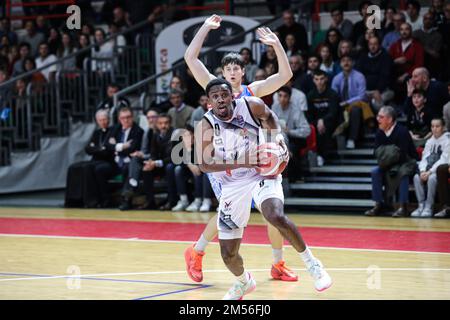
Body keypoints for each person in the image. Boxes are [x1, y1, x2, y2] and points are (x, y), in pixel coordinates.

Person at [184, 14, 298, 282]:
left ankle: (278, 263)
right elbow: (191, 58)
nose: (233, 72)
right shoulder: (214, 88)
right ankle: (197, 252)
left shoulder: (253, 91)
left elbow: (286, 75)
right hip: (224, 163)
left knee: (274, 213)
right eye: (228, 68)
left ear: (243, 72)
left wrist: (277, 44)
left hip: (255, 160)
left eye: (237, 68)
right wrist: (205, 28)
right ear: (222, 73)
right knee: (228, 213)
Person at [196, 78, 332, 299]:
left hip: (262, 172)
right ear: (209, 102)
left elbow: (269, 117)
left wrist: (277, 140)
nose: (220, 99)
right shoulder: (206, 124)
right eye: (215, 96)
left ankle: (313, 265)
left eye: (224, 94)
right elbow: (204, 164)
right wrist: (243, 160)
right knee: (228, 254)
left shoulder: (252, 105)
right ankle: (243, 283)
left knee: (274, 215)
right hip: (232, 185)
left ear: (232, 96)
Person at [365, 106, 419, 218]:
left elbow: (402, 154)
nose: (377, 119)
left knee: (402, 173)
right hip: (388, 163)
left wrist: (385, 153)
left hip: (407, 162)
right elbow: (376, 152)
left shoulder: (402, 131)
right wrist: (390, 152)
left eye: (381, 117)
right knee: (375, 171)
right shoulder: (380, 132)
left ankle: (403, 207)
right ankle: (379, 204)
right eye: (378, 116)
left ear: (389, 119)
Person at [95, 106, 144, 208]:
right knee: (99, 169)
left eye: (128, 117)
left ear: (133, 117)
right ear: (119, 119)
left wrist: (115, 146)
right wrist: (122, 146)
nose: (126, 120)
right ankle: (105, 199)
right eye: (123, 118)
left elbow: (132, 148)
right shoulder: (115, 128)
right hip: (115, 162)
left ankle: (126, 201)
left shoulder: (138, 130)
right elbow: (107, 145)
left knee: (127, 167)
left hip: (129, 162)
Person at [65, 109, 114, 208]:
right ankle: (75, 200)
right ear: (97, 121)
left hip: (108, 162)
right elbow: (88, 149)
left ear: (109, 120)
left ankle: (92, 201)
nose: (103, 122)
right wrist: (100, 149)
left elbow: (107, 151)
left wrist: (96, 149)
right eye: (100, 120)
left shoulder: (113, 131)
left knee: (88, 168)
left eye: (105, 119)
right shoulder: (97, 133)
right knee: (73, 168)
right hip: (96, 161)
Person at [119, 109, 159, 211]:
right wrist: (141, 154)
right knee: (135, 158)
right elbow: (145, 150)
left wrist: (149, 159)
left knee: (145, 169)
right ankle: (133, 184)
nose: (151, 120)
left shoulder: (162, 131)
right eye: (149, 118)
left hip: (159, 161)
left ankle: (132, 188)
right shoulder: (147, 132)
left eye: (153, 117)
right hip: (148, 159)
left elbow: (160, 153)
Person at [332, 54, 373, 149]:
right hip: (341, 105)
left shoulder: (359, 76)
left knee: (355, 109)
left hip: (356, 104)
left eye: (348, 60)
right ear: (340, 64)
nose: (346, 63)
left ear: (353, 63)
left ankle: (352, 139)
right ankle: (337, 140)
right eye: (343, 61)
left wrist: (347, 102)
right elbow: (333, 95)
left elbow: (362, 96)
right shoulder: (337, 78)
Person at [411, 118, 449, 217]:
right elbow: (424, 158)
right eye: (432, 126)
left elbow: (444, 160)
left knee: (432, 178)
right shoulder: (429, 141)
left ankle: (429, 206)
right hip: (427, 170)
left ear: (443, 127)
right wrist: (423, 170)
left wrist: (430, 172)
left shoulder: (447, 141)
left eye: (437, 126)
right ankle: (421, 205)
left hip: (440, 171)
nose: (434, 129)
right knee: (416, 177)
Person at [272, 86, 311, 181]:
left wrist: (290, 131)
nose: (282, 99)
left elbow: (306, 130)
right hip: (279, 138)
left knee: (292, 149)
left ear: (289, 97)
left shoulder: (296, 110)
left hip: (295, 138)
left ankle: (296, 177)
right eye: (280, 96)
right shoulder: (274, 107)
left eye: (285, 96)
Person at [172, 125, 214, 212]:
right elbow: (176, 160)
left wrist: (192, 161)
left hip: (203, 169)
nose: (188, 138)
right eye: (185, 136)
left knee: (198, 171)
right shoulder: (179, 145)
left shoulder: (200, 144)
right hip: (188, 170)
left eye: (190, 135)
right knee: (178, 170)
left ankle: (202, 200)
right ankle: (183, 200)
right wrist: (189, 161)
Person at [142, 114, 178, 211]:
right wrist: (151, 162)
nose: (163, 126)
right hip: (160, 164)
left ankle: (172, 201)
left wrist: (156, 163)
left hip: (173, 164)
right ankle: (150, 201)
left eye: (166, 123)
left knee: (169, 167)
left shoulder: (176, 135)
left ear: (170, 124)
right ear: (157, 125)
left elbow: (174, 157)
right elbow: (153, 153)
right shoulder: (155, 135)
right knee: (146, 169)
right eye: (160, 123)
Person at [307, 70, 341, 165]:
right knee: (315, 129)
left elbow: (333, 113)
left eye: (321, 79)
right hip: (316, 122)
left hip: (331, 121)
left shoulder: (332, 94)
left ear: (326, 79)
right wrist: (318, 122)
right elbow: (309, 114)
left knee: (323, 129)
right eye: (317, 79)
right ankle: (318, 156)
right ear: (313, 80)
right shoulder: (310, 95)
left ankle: (322, 156)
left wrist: (322, 120)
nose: (319, 82)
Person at [355, 35, 394, 112]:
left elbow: (385, 76)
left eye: (375, 44)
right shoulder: (363, 57)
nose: (373, 46)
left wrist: (377, 90)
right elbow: (359, 75)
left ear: (379, 45)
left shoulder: (385, 57)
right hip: (366, 90)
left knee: (376, 103)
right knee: (358, 103)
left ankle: (386, 121)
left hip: (383, 90)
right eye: (370, 44)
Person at [413, 12, 443, 79]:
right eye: (425, 19)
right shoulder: (415, 33)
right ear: (423, 20)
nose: (428, 21)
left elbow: (435, 54)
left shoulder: (438, 35)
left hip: (431, 64)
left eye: (430, 19)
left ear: (433, 21)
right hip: (416, 63)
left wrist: (420, 45)